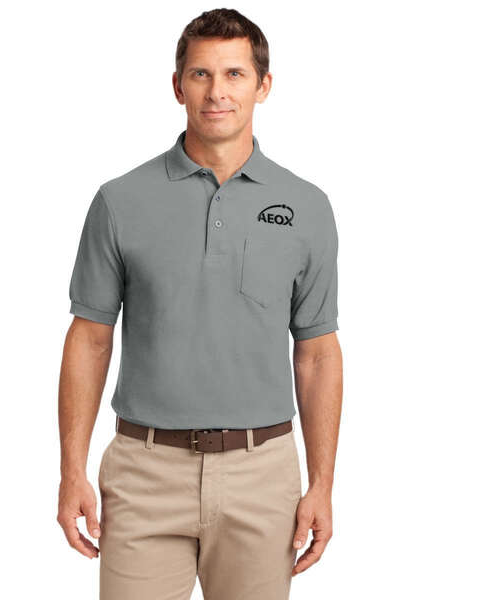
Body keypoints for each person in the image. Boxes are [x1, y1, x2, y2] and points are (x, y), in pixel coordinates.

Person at [57, 8, 343, 599]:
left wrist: (322, 484)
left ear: (263, 85)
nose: (217, 92)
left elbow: (317, 351)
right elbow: (89, 339)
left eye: (235, 74)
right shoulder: (119, 201)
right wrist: (70, 471)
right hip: (143, 473)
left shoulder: (307, 207)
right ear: (177, 85)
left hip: (263, 475)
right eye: (200, 74)